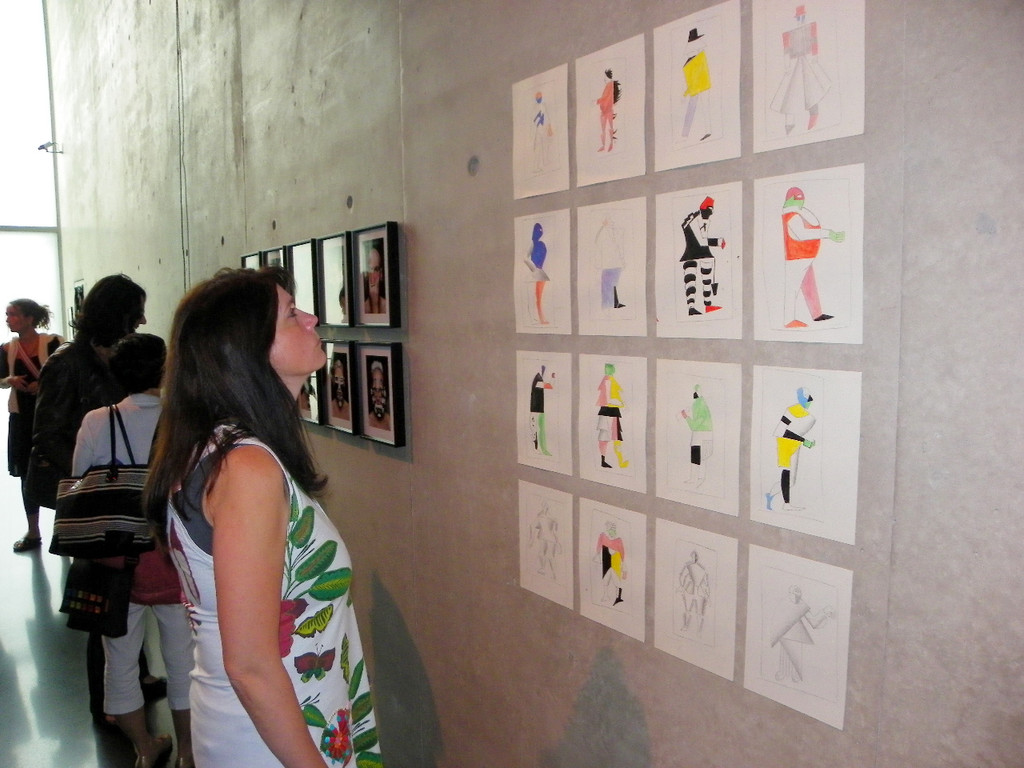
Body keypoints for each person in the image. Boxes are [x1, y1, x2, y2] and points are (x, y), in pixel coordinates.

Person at [144, 267, 380, 767]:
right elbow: (250, 664)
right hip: (271, 739)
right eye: (291, 314)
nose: (312, 318)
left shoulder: (220, 448)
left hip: (263, 722)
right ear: (248, 350)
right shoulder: (246, 468)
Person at [27, 273, 156, 728]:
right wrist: (92, 480)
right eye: (136, 311)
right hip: (98, 498)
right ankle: (107, 703)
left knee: (130, 591)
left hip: (126, 494)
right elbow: (47, 434)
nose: (142, 319)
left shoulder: (116, 356)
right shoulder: (67, 363)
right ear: (116, 313)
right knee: (103, 598)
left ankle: (134, 680)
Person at [73, 334, 194, 768]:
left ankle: (144, 748)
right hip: (172, 556)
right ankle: (189, 752)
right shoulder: (183, 422)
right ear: (164, 370)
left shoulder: (97, 421)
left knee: (120, 659)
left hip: (116, 560)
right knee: (183, 659)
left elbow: (79, 484)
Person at [1, 299, 63, 552]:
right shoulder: (7, 349)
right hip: (23, 419)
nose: (8, 319)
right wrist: (10, 379)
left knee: (60, 470)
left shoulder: (54, 343)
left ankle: (61, 528)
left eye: (13, 314)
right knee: (27, 473)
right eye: (7, 314)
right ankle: (33, 530)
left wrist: (43, 385)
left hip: (52, 417)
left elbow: (65, 375)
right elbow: (0, 379)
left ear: (29, 318)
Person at [780, 186, 845, 328]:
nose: (801, 202)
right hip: (796, 258)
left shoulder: (798, 213)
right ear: (791, 200)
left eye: (802, 199)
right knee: (793, 288)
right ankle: (789, 320)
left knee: (809, 286)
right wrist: (827, 233)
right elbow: (801, 234)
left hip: (806, 257)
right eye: (798, 199)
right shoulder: (791, 215)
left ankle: (817, 314)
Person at [765, 387, 817, 512]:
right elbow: (782, 431)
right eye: (808, 400)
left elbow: (798, 431)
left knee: (792, 481)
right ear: (803, 399)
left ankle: (770, 495)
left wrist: (803, 441)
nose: (809, 403)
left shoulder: (806, 414)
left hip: (795, 444)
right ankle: (786, 504)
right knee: (787, 473)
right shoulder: (791, 410)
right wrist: (805, 441)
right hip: (785, 443)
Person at [679, 197, 727, 316]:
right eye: (710, 210)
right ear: (704, 209)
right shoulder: (694, 219)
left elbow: (703, 238)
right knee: (690, 279)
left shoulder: (705, 220)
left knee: (707, 278)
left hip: (703, 253)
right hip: (691, 252)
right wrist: (717, 242)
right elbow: (700, 240)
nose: (712, 213)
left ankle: (708, 305)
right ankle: (691, 308)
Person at [596, 68, 620, 152]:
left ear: (607, 77)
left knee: (607, 128)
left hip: (607, 110)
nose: (604, 79)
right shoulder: (609, 85)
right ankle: (606, 145)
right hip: (606, 110)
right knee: (606, 128)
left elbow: (605, 97)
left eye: (605, 77)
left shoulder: (609, 85)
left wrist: (596, 101)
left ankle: (609, 145)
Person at [366, 359, 392, 432]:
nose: (378, 395)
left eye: (380, 381)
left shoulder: (390, 421)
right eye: (374, 381)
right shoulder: (367, 421)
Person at [330, 354, 350, 422]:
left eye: (341, 380)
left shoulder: (350, 409)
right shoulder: (329, 407)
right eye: (336, 379)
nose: (339, 388)